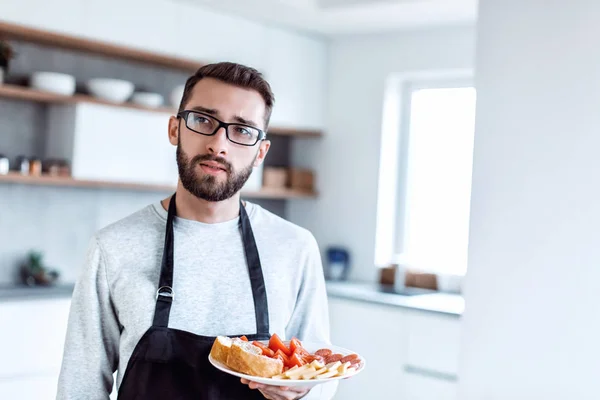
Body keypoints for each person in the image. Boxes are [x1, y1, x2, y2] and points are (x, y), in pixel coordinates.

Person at [56, 62, 336, 400]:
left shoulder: (295, 247)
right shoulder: (113, 246)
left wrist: (301, 392)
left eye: (243, 130)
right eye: (203, 120)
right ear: (175, 129)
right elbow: (80, 386)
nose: (219, 144)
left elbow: (321, 371)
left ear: (260, 152)